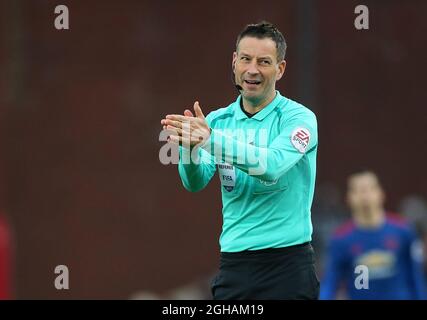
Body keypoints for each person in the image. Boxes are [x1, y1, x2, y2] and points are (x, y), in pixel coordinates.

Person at [160, 21, 319, 299]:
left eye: (264, 62)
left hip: (288, 266)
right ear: (234, 62)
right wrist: (190, 149)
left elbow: (271, 167)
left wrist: (209, 140)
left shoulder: (299, 119)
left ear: (280, 69)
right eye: (245, 59)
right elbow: (194, 183)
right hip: (235, 264)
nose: (252, 69)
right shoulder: (216, 121)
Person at [320, 170, 427, 300]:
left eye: (370, 188)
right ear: (348, 198)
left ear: (381, 194)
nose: (365, 195)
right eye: (358, 190)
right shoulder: (341, 239)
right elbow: (330, 282)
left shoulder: (403, 230)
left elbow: (415, 277)